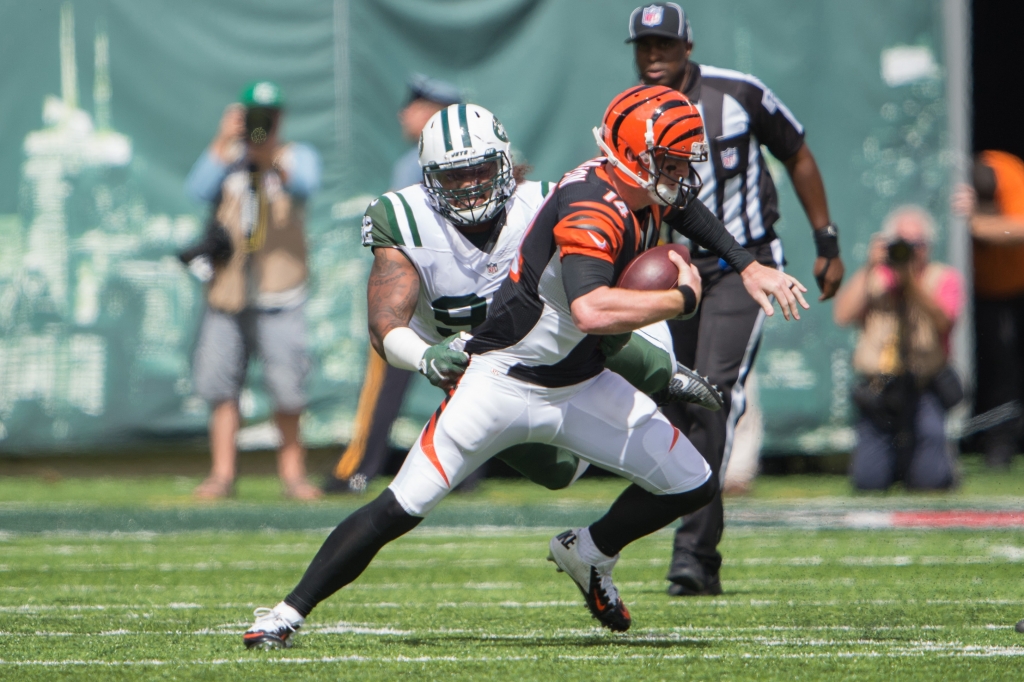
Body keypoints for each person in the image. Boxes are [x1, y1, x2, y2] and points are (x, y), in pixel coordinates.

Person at [241, 86, 807, 649]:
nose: (468, 186)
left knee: (693, 482)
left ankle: (588, 552)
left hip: (582, 381)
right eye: (452, 175)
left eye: (480, 170)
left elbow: (673, 209)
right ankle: (285, 614)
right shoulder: (446, 214)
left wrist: (746, 267)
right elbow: (585, 310)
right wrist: (683, 300)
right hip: (495, 381)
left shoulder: (578, 195)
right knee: (402, 506)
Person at [625, 2, 845, 596]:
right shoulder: (632, 112)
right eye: (644, 48)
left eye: (664, 46)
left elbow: (797, 151)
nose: (653, 58)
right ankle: (683, 545)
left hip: (744, 270)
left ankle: (693, 555)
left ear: (687, 47)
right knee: (672, 400)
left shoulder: (738, 94)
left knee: (712, 393)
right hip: (671, 272)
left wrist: (826, 239)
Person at [324, 75, 464, 494]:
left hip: (419, 289)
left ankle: (360, 466)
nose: (405, 113)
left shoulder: (417, 162)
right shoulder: (474, 158)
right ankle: (467, 471)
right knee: (469, 374)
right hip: (462, 285)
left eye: (417, 104)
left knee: (386, 370)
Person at [184, 81, 322, 500]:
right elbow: (197, 189)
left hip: (280, 294)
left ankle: (293, 475)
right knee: (221, 386)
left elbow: (306, 186)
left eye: (269, 117)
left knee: (287, 388)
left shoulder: (296, 156)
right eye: (253, 116)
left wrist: (270, 160)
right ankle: (222, 474)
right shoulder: (228, 159)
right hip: (229, 294)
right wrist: (225, 139)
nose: (261, 126)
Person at [833, 206, 964, 491]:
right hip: (878, 388)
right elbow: (843, 315)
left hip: (923, 387)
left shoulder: (944, 278)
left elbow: (945, 321)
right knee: (868, 483)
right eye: (902, 244)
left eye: (917, 244)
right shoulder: (875, 278)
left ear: (928, 247)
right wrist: (870, 267)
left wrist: (910, 282)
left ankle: (939, 466)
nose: (910, 251)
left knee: (931, 482)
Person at [955, 152, 1024, 469]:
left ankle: (1002, 442)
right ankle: (986, 440)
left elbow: (1019, 229)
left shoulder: (1008, 172)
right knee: (986, 369)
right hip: (973, 293)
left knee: (1006, 369)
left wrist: (975, 222)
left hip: (1013, 290)